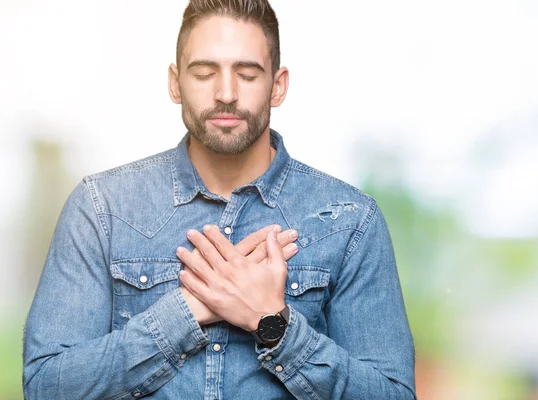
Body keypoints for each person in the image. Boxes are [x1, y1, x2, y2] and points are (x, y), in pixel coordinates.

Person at [22, 0, 416, 398]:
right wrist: (186, 311)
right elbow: (44, 388)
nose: (226, 93)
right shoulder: (101, 208)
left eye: (246, 74)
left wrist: (271, 322)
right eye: (205, 73)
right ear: (175, 83)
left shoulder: (351, 221)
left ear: (277, 86)